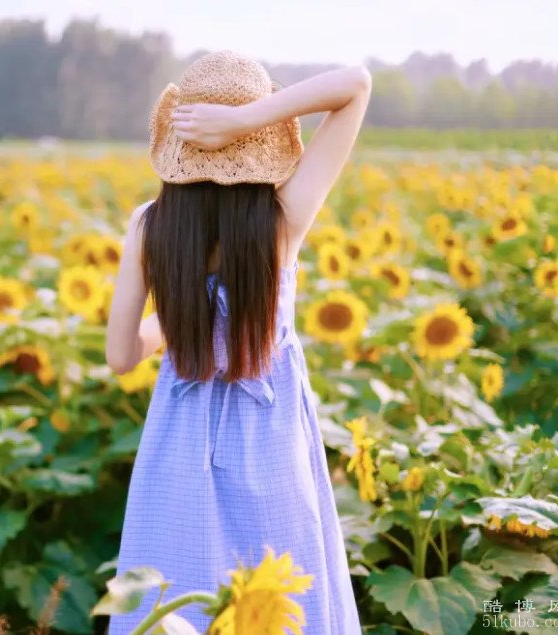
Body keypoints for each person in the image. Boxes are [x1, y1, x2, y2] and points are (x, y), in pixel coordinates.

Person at [104, 50, 372, 634]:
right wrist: (247, 120)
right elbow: (355, 85)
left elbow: (122, 357)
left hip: (179, 441)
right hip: (270, 438)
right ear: (263, 142)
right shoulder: (282, 221)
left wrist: (182, 320)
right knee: (280, 601)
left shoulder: (151, 226)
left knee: (174, 601)